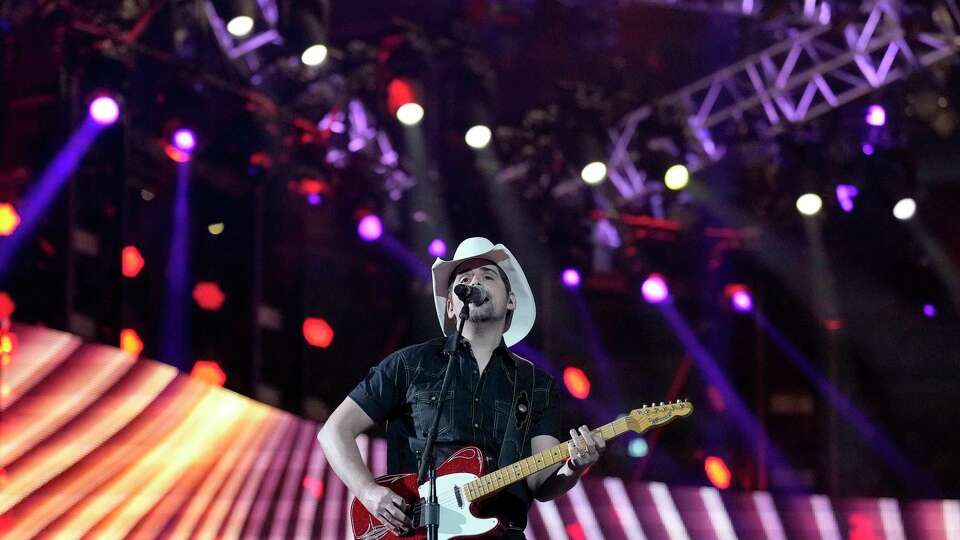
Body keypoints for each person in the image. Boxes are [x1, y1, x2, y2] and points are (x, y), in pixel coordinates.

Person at [318, 237, 605, 539]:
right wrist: (368, 491)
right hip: (414, 530)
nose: (474, 281)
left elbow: (541, 483)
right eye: (464, 279)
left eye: (487, 276)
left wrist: (574, 468)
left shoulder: (536, 384)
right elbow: (334, 431)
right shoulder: (410, 364)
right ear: (452, 306)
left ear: (510, 300)